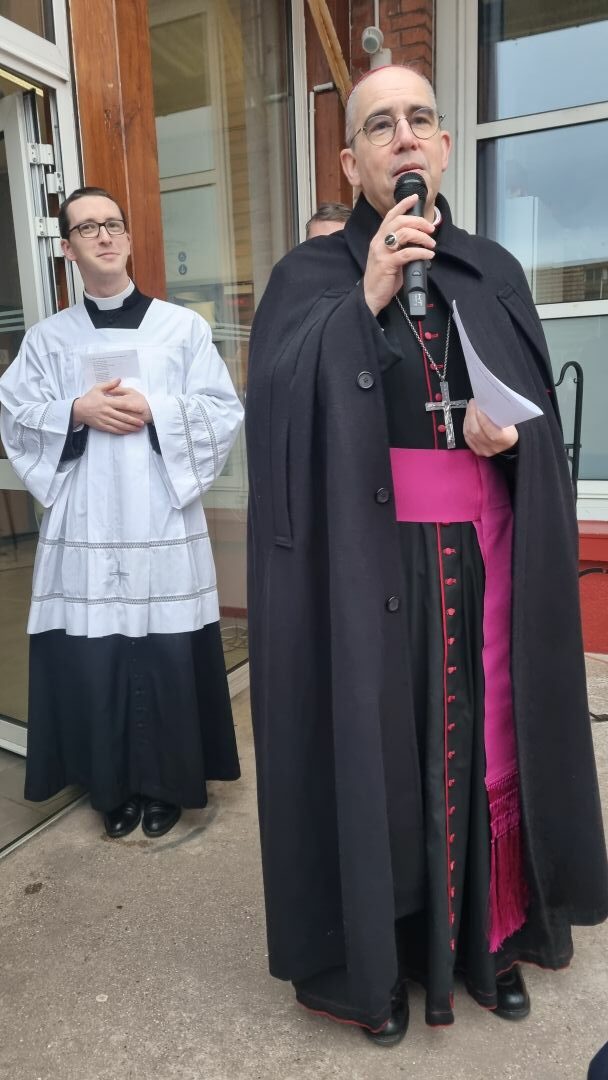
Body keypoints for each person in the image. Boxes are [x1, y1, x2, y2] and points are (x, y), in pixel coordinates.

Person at [245, 66, 608, 1046]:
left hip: (483, 556)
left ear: (442, 147)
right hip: (365, 569)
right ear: (350, 157)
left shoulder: (491, 268)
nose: (401, 138)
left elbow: (535, 420)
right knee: (384, 760)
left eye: (417, 120)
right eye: (377, 126)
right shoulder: (305, 281)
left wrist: (513, 437)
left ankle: (486, 948)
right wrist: (356, 307)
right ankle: (383, 962)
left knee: (487, 750)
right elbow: (277, 427)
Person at [0, 186, 244, 840]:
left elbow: (222, 411)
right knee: (98, 656)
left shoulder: (182, 328)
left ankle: (164, 788)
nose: (102, 236)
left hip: (161, 517)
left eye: (112, 224)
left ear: (129, 239)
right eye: (86, 228)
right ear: (70, 249)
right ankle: (112, 789)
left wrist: (159, 411)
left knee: (163, 655)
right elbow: (14, 415)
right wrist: (73, 412)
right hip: (86, 522)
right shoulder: (50, 340)